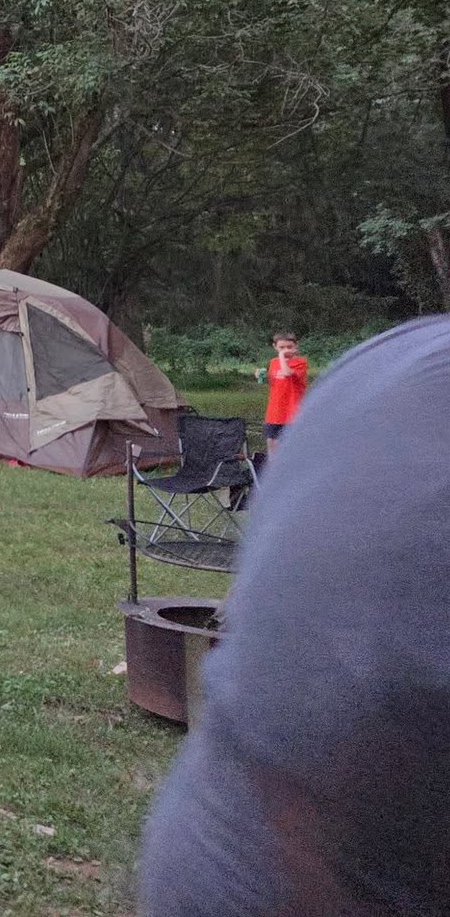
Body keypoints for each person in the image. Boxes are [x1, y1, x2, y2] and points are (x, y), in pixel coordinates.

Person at [139, 317, 450, 915]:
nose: (282, 352)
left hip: (205, 844)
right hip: (275, 857)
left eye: (286, 347)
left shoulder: (374, 367)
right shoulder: (394, 371)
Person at [259, 330, 310, 448]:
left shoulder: (300, 362)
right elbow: (274, 382)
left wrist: (281, 356)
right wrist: (261, 376)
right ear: (275, 347)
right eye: (281, 347)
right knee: (272, 443)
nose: (285, 350)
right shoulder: (273, 363)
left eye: (289, 347)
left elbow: (287, 373)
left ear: (296, 346)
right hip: (274, 411)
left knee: (288, 445)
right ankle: (272, 466)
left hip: (292, 412)